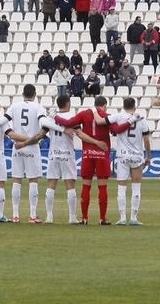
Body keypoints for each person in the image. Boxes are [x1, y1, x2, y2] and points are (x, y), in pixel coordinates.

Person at [19, 95, 104, 224]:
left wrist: (25, 143)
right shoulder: (72, 117)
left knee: (51, 184)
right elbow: (80, 134)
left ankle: (49, 217)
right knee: (70, 185)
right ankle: (72, 217)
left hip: (53, 154)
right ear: (68, 103)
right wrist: (96, 142)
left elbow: (40, 134)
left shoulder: (51, 118)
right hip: (67, 154)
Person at [53, 95, 132, 224]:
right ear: (104, 105)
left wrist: (54, 116)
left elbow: (67, 123)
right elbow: (116, 130)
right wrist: (130, 121)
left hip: (87, 154)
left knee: (86, 185)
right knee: (102, 186)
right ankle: (102, 218)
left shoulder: (84, 114)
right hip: (102, 154)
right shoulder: (107, 115)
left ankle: (84, 218)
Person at [3, 84, 48, 223]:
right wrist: (31, 139)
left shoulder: (14, 106)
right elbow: (44, 125)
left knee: (16, 180)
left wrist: (17, 138)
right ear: (34, 95)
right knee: (33, 180)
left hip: (17, 147)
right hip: (33, 147)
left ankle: (16, 215)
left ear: (23, 94)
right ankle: (32, 215)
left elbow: (4, 121)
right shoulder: (38, 107)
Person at [105, 98, 150, 225]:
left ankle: (122, 218)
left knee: (121, 187)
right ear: (134, 106)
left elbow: (106, 121)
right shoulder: (142, 120)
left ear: (123, 106)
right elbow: (146, 140)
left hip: (122, 156)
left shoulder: (119, 116)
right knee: (136, 187)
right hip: (136, 157)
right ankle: (134, 218)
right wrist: (148, 156)